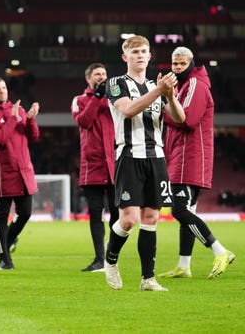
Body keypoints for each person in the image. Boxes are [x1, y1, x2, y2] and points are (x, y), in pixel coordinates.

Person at [103, 35, 185, 291]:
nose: (140, 55)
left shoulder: (154, 85)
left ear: (150, 56)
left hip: (156, 157)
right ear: (125, 57)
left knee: (151, 217)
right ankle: (110, 260)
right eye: (135, 51)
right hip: (129, 155)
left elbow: (180, 117)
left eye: (144, 51)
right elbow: (127, 110)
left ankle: (148, 279)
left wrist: (169, 95)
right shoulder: (116, 83)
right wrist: (159, 91)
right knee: (128, 220)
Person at [158, 46, 235, 279]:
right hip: (181, 155)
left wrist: (163, 107)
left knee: (179, 210)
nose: (178, 68)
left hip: (189, 156)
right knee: (186, 211)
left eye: (182, 64)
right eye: (174, 64)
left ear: (191, 63)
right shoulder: (182, 86)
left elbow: (188, 120)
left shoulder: (195, 85)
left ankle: (220, 250)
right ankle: (184, 266)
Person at [0, 77, 40, 270]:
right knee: (1, 216)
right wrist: (14, 118)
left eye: (3, 88)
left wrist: (30, 120)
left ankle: (5, 244)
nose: (1, 91)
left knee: (25, 213)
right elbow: (0, 138)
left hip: (23, 171)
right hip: (2, 174)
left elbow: (33, 137)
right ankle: (3, 258)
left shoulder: (19, 110)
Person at [70, 63, 119, 272]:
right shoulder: (79, 100)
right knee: (96, 213)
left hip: (115, 163)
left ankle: (112, 255)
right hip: (92, 165)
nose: (102, 77)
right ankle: (100, 259)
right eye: (98, 74)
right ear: (88, 78)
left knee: (118, 213)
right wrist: (97, 97)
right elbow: (84, 121)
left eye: (104, 74)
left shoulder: (116, 99)